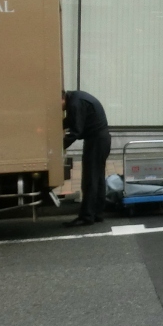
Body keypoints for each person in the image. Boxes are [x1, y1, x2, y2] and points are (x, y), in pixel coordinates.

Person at [63, 90, 110, 227]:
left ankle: (86, 216)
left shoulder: (75, 103)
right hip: (101, 140)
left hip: (96, 141)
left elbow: (76, 130)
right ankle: (97, 213)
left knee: (90, 179)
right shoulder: (75, 99)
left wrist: (60, 146)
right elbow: (71, 120)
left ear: (62, 99)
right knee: (98, 178)